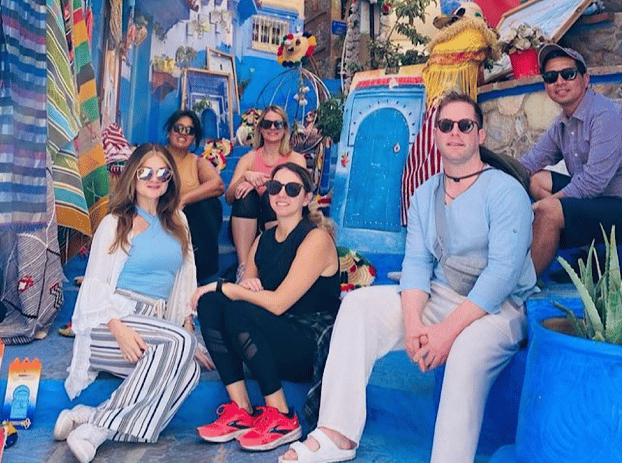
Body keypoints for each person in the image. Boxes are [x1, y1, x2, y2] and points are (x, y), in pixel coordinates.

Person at [282, 92, 537, 463]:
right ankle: (338, 434)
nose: (455, 132)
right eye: (446, 125)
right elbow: (416, 263)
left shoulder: (505, 191)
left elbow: (502, 274)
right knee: (358, 305)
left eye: (465, 125)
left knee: (465, 351)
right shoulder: (425, 194)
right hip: (442, 293)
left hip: (499, 308)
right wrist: (416, 324)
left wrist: (445, 333)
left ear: (480, 135)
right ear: (435, 135)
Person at [56, 144, 212, 463]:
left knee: (190, 372)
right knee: (182, 345)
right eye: (145, 172)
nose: (154, 179)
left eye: (163, 173)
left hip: (158, 329)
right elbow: (95, 285)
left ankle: (93, 417)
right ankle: (93, 432)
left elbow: (186, 281)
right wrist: (119, 328)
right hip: (111, 326)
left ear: (171, 179)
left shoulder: (178, 221)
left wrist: (185, 328)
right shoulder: (116, 222)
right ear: (133, 176)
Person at [192, 162, 340, 452]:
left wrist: (226, 287)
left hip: (309, 344)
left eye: (292, 189)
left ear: (306, 198)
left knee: (234, 307)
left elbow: (278, 303)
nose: (282, 194)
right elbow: (245, 292)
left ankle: (282, 416)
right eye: (275, 187)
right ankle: (241, 409)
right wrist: (242, 288)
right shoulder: (263, 240)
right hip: (273, 336)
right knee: (211, 303)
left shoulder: (316, 239)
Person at [520, 44, 622, 275]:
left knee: (550, 210)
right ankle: (589, 253)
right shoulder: (563, 123)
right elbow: (529, 163)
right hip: (605, 200)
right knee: (537, 180)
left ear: (586, 79)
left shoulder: (606, 116)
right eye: (551, 77)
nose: (559, 82)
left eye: (568, 74)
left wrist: (543, 208)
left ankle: (522, 285)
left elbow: (592, 183)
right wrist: (489, 182)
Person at [225, 105, 307, 279]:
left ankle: (277, 261)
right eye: (267, 124)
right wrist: (245, 178)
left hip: (284, 220)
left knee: (274, 195)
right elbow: (229, 197)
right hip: (250, 225)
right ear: (260, 129)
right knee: (245, 196)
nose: (272, 128)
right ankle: (243, 270)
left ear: (285, 129)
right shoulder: (248, 159)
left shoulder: (296, 159)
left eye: (278, 124)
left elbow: (300, 192)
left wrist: (266, 182)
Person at [165, 110, 225, 283]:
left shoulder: (197, 162)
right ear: (169, 131)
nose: (183, 134)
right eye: (178, 128)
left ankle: (199, 271)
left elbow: (218, 185)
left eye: (189, 130)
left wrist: (183, 200)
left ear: (194, 137)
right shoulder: (155, 156)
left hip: (189, 219)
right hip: (159, 213)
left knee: (209, 204)